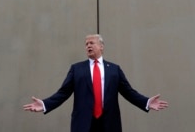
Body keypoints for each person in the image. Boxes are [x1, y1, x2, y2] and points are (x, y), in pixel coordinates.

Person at [23, 34, 168, 132]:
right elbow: (63, 93)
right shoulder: (77, 69)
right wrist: (44, 104)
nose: (88, 46)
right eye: (86, 44)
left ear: (101, 46)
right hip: (84, 124)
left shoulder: (114, 70)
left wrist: (147, 102)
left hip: (109, 123)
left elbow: (129, 92)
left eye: (91, 43)